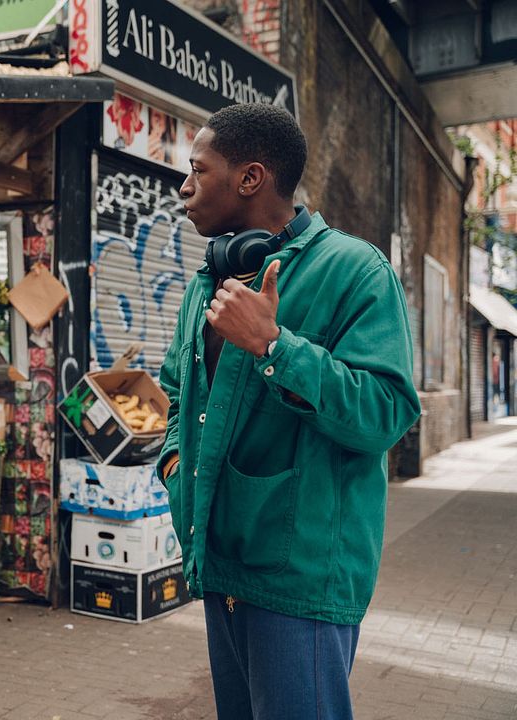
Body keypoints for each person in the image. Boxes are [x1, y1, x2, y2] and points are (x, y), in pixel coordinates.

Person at [157, 103, 421, 719]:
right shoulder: (207, 282)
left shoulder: (354, 271)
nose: (184, 186)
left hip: (300, 579)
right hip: (218, 563)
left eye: (198, 169)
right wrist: (174, 465)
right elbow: (177, 392)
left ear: (250, 178)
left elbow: (387, 413)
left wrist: (275, 347)